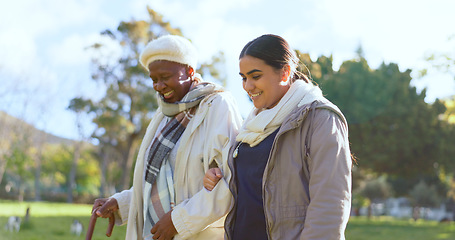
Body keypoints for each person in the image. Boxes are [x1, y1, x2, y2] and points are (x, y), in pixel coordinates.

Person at [91, 35, 243, 240]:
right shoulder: (163, 116)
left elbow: (231, 181)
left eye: (165, 76)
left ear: (189, 71)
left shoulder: (218, 105)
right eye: (154, 79)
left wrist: (178, 221)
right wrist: (121, 203)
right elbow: (156, 182)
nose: (158, 86)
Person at [203, 34, 352, 240]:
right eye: (244, 78)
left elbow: (330, 204)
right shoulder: (251, 126)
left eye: (255, 77)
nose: (247, 86)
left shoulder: (320, 118)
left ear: (285, 72)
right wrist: (218, 175)